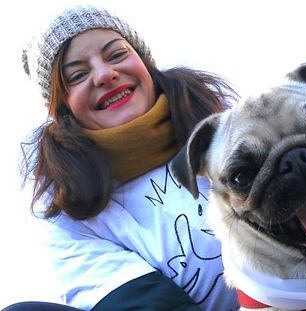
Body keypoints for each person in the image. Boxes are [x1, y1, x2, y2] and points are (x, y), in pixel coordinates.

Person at [7, 5, 239, 311]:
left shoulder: (216, 111)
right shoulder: (63, 209)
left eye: (116, 54)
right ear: (63, 110)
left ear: (145, 62)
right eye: (77, 75)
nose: (105, 75)